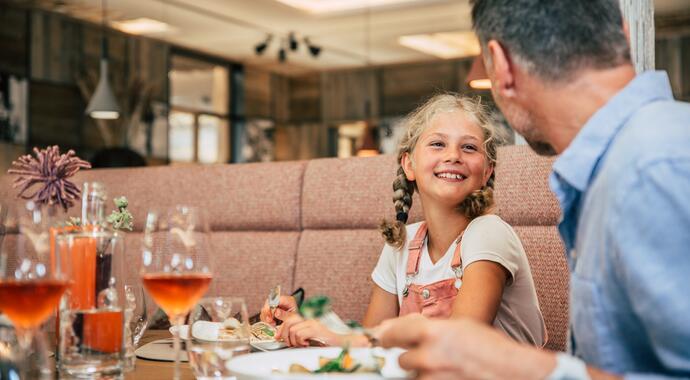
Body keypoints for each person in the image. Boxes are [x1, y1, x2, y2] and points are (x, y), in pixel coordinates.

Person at [378, 0, 690, 379]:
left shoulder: (652, 169)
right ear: (622, 34)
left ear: (502, 67)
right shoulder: (625, 164)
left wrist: (528, 367)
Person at [261, 94, 546, 348]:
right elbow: (370, 342)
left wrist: (340, 336)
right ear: (408, 164)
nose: (453, 156)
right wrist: (310, 326)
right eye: (437, 144)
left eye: (469, 148)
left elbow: (457, 342)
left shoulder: (489, 232)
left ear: (486, 171)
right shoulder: (402, 243)